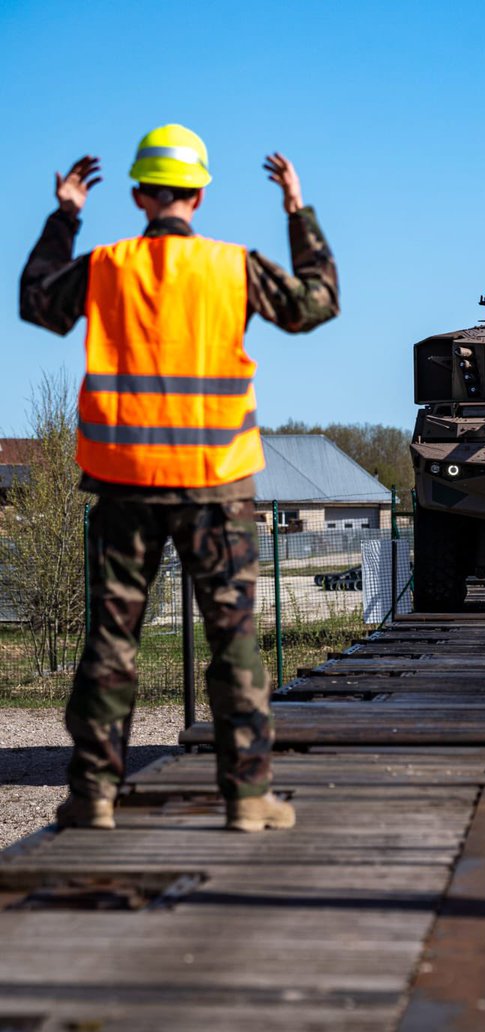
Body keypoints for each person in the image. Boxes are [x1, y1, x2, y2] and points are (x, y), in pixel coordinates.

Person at [20, 124, 339, 832]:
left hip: (123, 484)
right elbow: (316, 303)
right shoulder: (234, 266)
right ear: (198, 193)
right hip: (216, 485)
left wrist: (66, 212)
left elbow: (37, 301)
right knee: (235, 643)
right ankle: (249, 798)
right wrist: (297, 210)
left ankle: (94, 796)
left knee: (111, 641)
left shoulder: (106, 265)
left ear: (138, 194)